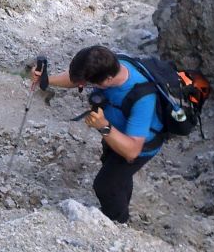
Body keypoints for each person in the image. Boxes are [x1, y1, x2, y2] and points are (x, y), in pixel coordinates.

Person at [31, 45, 163, 224]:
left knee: (105, 185)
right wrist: (46, 80)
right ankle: (121, 206)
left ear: (107, 79)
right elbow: (77, 79)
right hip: (115, 132)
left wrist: (104, 127)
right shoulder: (110, 64)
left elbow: (132, 151)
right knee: (117, 176)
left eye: (89, 84)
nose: (83, 86)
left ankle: (117, 223)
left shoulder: (143, 98)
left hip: (138, 145)